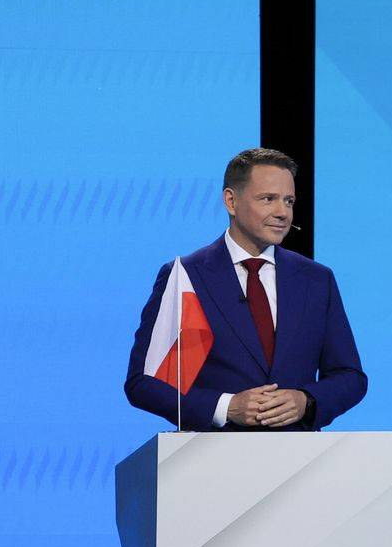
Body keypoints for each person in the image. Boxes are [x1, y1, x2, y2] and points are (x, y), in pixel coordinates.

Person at [124, 148, 367, 431]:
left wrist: (306, 400)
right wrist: (226, 407)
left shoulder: (316, 280)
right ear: (231, 201)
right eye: (268, 199)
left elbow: (350, 376)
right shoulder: (185, 276)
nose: (282, 213)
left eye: (289, 201)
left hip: (299, 452)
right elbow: (143, 383)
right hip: (212, 452)